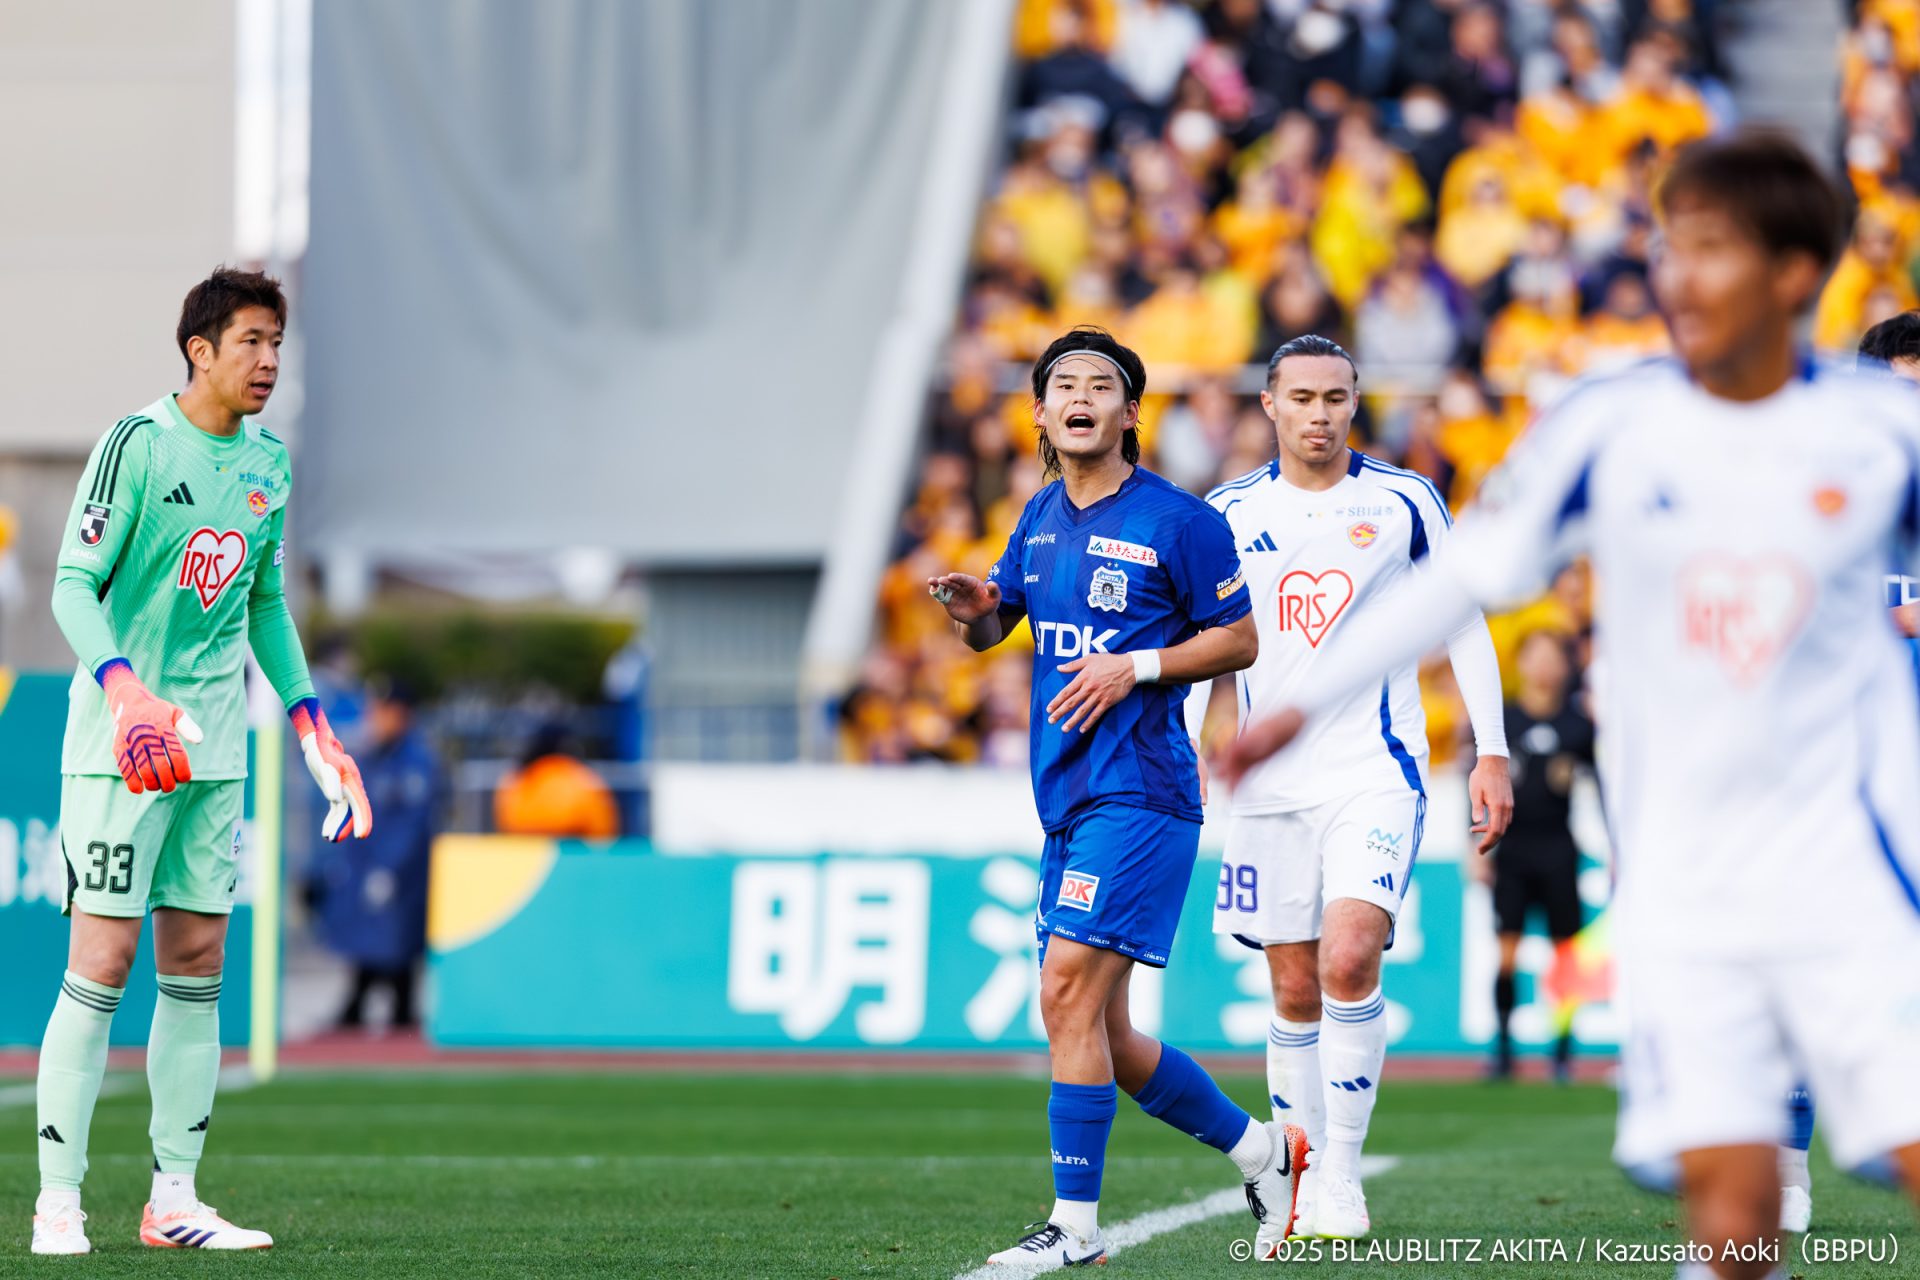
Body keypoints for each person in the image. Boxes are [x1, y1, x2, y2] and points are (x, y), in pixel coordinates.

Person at [1218, 132, 1920, 1280]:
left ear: (1795, 274)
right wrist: (1302, 705)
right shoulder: (1611, 423)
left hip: (1851, 858)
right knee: (1733, 1209)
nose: (1676, 274)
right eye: (1671, 246)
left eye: (1712, 248)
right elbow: (1467, 574)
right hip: (1684, 875)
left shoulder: (1882, 430)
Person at [928, 326, 1306, 1267]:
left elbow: (1240, 639)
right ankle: (1264, 1154)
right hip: (1065, 798)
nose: (1081, 396)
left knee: (1064, 991)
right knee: (1105, 1030)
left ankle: (1076, 1227)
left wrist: (1133, 665)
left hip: (1141, 792)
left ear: (1131, 412)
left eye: (1102, 384)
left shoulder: (1180, 521)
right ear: (1040, 413)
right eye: (1064, 384)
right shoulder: (1038, 515)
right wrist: (977, 615)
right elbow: (1001, 622)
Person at [35, 267, 373, 1255]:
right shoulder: (137, 446)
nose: (269, 361)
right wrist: (126, 690)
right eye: (252, 341)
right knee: (101, 963)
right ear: (201, 350)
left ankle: (173, 1199)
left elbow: (263, 602)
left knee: (197, 963)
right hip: (122, 750)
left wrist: (310, 720)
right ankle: (58, 1202)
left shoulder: (269, 464)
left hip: (215, 756)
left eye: (278, 344)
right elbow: (71, 584)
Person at [1191, 334, 1511, 1250]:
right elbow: (1209, 641)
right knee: (1293, 985)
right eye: (1301, 398)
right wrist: (1204, 734)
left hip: (1376, 771)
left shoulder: (1405, 500)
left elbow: (1464, 618)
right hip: (1269, 786)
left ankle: (1341, 1174)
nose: (1319, 415)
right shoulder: (1227, 511)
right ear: (1269, 405)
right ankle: (1297, 1173)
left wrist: (1491, 751)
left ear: (1355, 401)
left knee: (1348, 959)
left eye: (1335, 397)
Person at [1481, 628, 1591, 1083]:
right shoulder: (1502, 721)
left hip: (1559, 848)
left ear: (1566, 666)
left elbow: (1605, 783)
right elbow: (1478, 780)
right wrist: (1476, 847)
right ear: (1521, 663)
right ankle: (1504, 1049)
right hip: (1513, 849)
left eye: (1553, 656)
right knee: (1507, 951)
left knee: (1566, 954)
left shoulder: (1579, 725)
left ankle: (1562, 1051)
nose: (1544, 666)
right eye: (1536, 656)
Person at [309, 676, 443, 1031]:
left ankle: (391, 1011)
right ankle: (365, 1007)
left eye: (382, 712)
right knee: (370, 939)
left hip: (400, 874)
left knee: (395, 943)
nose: (373, 719)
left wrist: (389, 868)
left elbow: (413, 825)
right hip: (366, 866)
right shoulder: (373, 757)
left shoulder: (415, 763)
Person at [493, 723, 619, 839]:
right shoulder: (579, 775)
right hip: (574, 845)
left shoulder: (517, 776)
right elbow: (601, 827)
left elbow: (507, 819)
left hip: (526, 846)